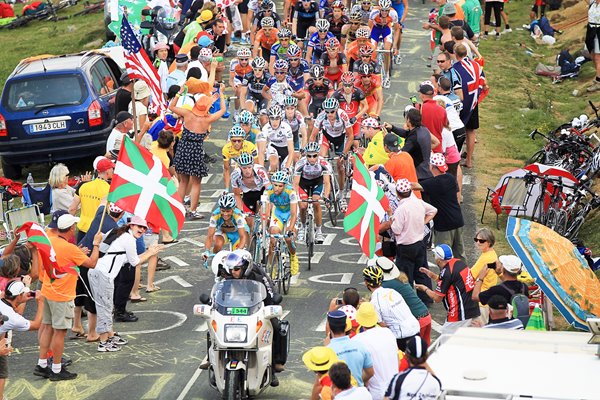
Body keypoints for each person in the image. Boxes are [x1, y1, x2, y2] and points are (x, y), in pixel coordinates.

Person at [36, 213, 103, 381]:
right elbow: (92, 263)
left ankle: (42, 364)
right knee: (60, 332)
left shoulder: (50, 241)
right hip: (62, 294)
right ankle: (57, 370)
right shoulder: (70, 248)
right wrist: (96, 245)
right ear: (71, 229)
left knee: (48, 327)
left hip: (48, 290)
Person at [88, 216, 163, 352]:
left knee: (106, 306)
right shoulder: (128, 239)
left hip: (99, 272)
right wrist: (150, 252)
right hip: (103, 274)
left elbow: (125, 259)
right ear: (131, 225)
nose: (141, 229)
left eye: (144, 227)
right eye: (139, 226)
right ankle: (104, 341)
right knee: (105, 307)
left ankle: (109, 335)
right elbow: (135, 262)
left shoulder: (119, 232)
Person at [222, 249, 286, 386]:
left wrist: (271, 305)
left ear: (245, 267)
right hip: (233, 315)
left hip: (256, 313)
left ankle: (274, 366)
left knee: (276, 327)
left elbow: (270, 294)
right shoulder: (227, 279)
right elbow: (218, 297)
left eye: (237, 269)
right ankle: (211, 359)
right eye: (231, 269)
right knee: (212, 329)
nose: (233, 272)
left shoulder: (260, 278)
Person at [169, 76, 226, 220]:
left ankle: (178, 209)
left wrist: (179, 93)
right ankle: (193, 211)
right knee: (196, 182)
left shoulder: (187, 114)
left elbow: (171, 107)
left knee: (183, 181)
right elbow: (223, 110)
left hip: (183, 147)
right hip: (195, 150)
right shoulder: (207, 119)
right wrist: (222, 93)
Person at [415, 244, 480, 335]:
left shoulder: (447, 272)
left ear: (439, 259)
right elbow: (449, 283)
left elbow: (437, 298)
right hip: (473, 309)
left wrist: (424, 288)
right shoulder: (459, 263)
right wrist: (431, 274)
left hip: (459, 314)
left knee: (445, 342)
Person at [391, 178, 437, 303]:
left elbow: (396, 230)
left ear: (397, 193)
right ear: (410, 191)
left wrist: (391, 219)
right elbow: (433, 210)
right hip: (420, 243)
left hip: (405, 246)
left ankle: (408, 301)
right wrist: (423, 222)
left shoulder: (401, 209)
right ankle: (426, 299)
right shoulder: (418, 202)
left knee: (405, 277)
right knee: (422, 272)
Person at [372, 257, 432, 344]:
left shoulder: (385, 285)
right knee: (424, 353)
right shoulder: (399, 277)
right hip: (426, 316)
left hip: (416, 322)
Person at [0, 280, 44, 397]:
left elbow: (13, 304)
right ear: (19, 295)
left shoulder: (2, 300)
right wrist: (41, 302)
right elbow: (36, 325)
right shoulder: (13, 318)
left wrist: (22, 298)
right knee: (1, 373)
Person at [418, 153, 465, 261]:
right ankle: (464, 276)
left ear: (432, 167)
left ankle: (447, 277)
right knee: (460, 255)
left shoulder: (433, 183)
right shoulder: (450, 178)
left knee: (443, 257)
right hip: (458, 220)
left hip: (444, 226)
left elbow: (416, 186)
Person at [361, 265, 420, 351]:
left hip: (401, 336)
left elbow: (382, 325)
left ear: (366, 282)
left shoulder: (374, 302)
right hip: (414, 328)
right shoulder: (392, 291)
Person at [353, 302, 399, 400]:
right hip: (396, 387)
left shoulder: (357, 340)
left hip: (376, 392)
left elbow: (359, 370)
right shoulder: (388, 332)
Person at [293, 142, 332, 244]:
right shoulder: (300, 164)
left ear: (318, 155)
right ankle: (302, 226)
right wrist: (296, 197)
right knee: (302, 205)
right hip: (303, 182)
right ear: (306, 155)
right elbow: (296, 183)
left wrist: (326, 196)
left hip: (317, 182)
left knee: (316, 202)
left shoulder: (324, 164)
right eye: (309, 156)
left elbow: (327, 182)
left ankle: (319, 231)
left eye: (314, 155)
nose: (312, 158)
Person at [69, 157, 113, 242]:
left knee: (81, 253)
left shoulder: (83, 185)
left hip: (83, 229)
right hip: (99, 230)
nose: (113, 171)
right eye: (112, 169)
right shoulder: (110, 189)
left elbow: (72, 208)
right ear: (107, 171)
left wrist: (69, 226)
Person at [384, 335, 442, 400]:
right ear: (427, 355)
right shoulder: (435, 382)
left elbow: (386, 398)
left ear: (406, 355)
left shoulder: (399, 379)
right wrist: (423, 359)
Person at [326, 310, 374, 387]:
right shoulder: (359, 345)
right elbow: (370, 372)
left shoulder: (327, 351)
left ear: (330, 327)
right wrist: (357, 382)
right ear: (345, 326)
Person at [265, 170, 299, 275]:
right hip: (278, 213)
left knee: (288, 238)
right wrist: (265, 227)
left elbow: (293, 213)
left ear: (284, 185)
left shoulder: (291, 192)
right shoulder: (268, 192)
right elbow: (266, 213)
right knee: (272, 239)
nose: (277, 188)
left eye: (280, 186)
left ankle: (293, 256)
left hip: (289, 214)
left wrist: (290, 228)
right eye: (275, 185)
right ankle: (272, 266)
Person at [470, 227, 498, 324]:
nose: (478, 242)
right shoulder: (492, 254)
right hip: (488, 298)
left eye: (481, 241)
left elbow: (471, 275)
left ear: (489, 242)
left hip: (480, 301)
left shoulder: (485, 258)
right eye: (476, 240)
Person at [418, 81, 448, 154]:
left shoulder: (422, 108)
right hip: (438, 145)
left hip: (425, 145)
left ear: (422, 95)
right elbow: (445, 124)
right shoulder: (442, 109)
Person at [586, 0, 600, 93]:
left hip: (599, 31)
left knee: (598, 57)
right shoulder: (593, 3)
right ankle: (598, 77)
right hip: (591, 30)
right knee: (593, 56)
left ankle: (598, 82)